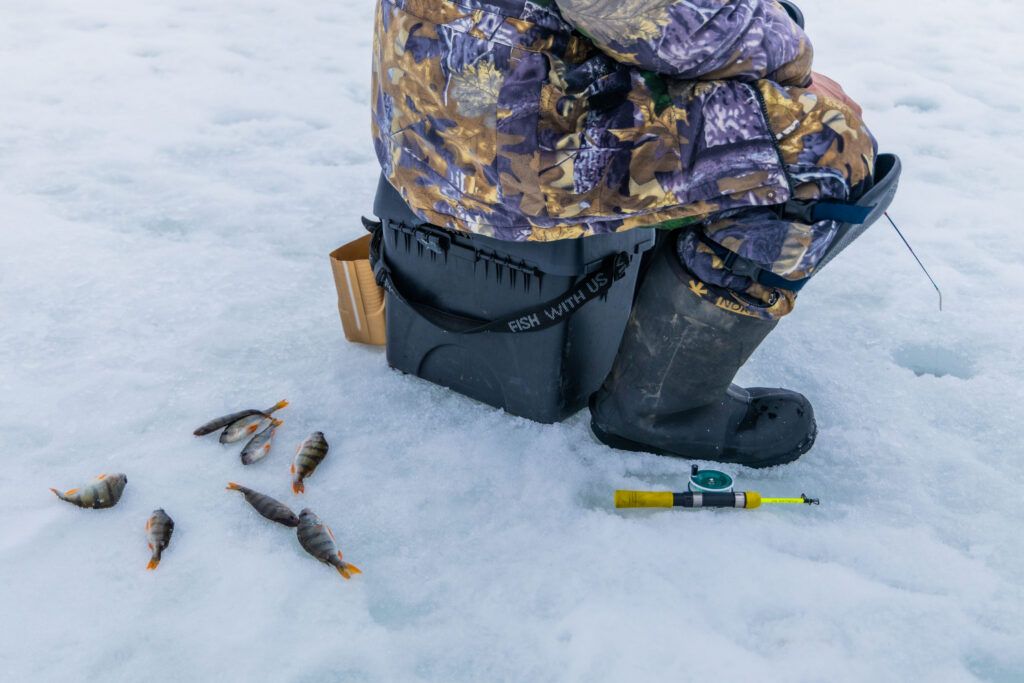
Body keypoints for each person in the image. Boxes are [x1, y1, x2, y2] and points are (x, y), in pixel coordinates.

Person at [371, 0, 880, 467]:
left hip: (420, 125)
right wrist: (796, 66)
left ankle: (653, 262)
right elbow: (674, 26)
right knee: (827, 144)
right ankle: (659, 410)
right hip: (512, 160)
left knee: (754, 41)